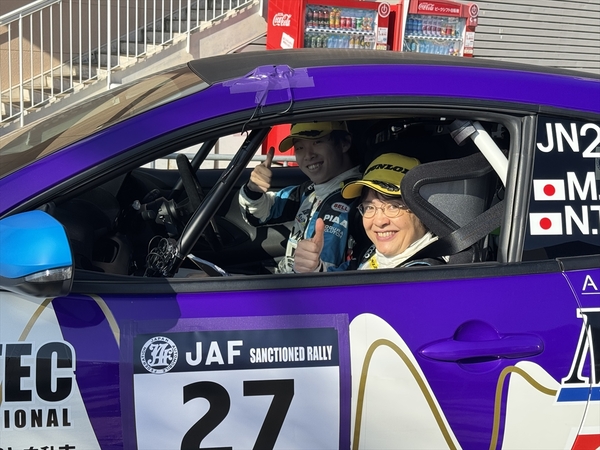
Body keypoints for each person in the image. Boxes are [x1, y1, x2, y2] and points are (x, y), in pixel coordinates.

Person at [239, 121, 362, 273]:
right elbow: (261, 214)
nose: (308, 155)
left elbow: (336, 275)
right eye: (300, 148)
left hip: (309, 285)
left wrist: (315, 270)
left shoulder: (360, 197)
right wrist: (253, 190)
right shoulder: (309, 190)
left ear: (344, 143)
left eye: (317, 142)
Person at [294, 153, 445, 271]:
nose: (379, 221)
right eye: (370, 207)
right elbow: (341, 280)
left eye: (393, 206)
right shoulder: (371, 254)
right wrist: (314, 268)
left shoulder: (427, 277)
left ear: (423, 211)